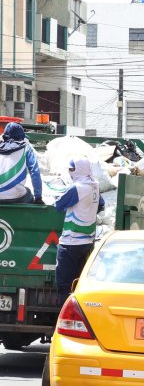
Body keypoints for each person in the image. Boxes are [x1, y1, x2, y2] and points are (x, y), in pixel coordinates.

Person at [53, 159, 104, 298]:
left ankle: (65, 309)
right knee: (79, 283)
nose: (70, 172)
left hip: (70, 243)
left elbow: (58, 205)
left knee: (64, 284)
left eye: (72, 169)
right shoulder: (95, 185)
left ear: (80, 169)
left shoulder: (77, 188)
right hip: (87, 243)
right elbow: (101, 205)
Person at [0, 122, 42, 203]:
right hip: (17, 197)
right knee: (28, 192)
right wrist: (38, 197)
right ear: (21, 137)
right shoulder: (26, 148)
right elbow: (35, 172)